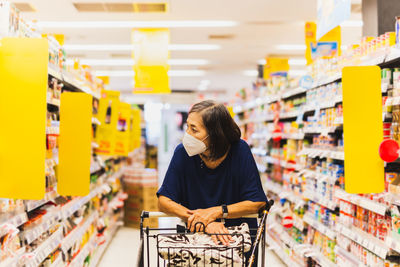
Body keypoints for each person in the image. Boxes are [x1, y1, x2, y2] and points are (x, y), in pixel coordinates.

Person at [157, 100, 268, 261]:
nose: (187, 134)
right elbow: (163, 201)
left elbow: (257, 202)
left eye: (194, 129)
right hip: (194, 245)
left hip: (235, 241)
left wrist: (216, 212)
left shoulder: (240, 151)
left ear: (215, 134)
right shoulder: (183, 152)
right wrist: (205, 223)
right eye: (187, 126)